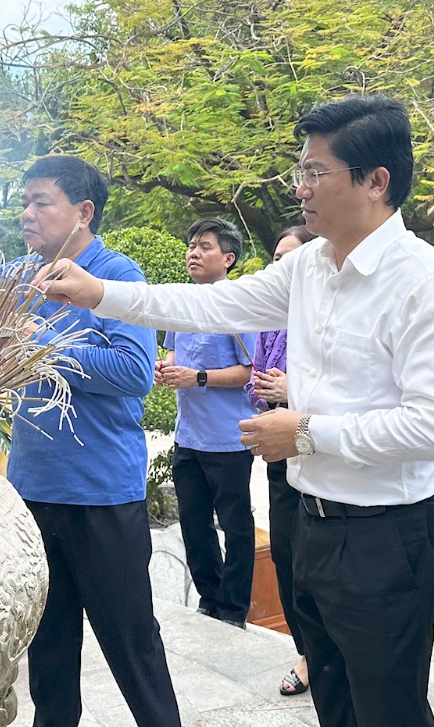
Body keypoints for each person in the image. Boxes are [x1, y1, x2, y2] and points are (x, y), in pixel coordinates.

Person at [33, 96, 434, 727]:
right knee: (336, 700)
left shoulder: (420, 281)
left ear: (376, 182)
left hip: (388, 534)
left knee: (389, 708)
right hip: (313, 521)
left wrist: (305, 431)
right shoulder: (310, 268)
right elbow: (210, 306)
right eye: (301, 171)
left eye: (316, 173)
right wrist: (99, 292)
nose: (301, 189)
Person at [9, 155, 182, 727]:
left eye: (41, 202)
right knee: (48, 648)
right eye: (25, 201)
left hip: (102, 492)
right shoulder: (19, 276)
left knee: (132, 643)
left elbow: (135, 371)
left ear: (83, 213)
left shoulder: (118, 278)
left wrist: (48, 349)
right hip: (33, 488)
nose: (27, 214)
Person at [159, 217, 258, 628]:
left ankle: (233, 609)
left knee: (236, 526)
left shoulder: (238, 308)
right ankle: (209, 598)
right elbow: (171, 354)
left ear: (228, 258)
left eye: (205, 246)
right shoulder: (184, 304)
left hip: (229, 439)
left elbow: (251, 370)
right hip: (189, 437)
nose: (193, 252)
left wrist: (197, 377)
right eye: (191, 245)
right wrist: (165, 369)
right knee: (194, 524)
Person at [244, 224, 319, 696]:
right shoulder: (272, 317)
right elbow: (255, 376)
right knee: (287, 551)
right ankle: (307, 650)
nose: (279, 267)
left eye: (290, 259)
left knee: (316, 555)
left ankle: (323, 652)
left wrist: (293, 391)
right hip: (278, 447)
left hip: (316, 445)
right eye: (276, 258)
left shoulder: (324, 318)